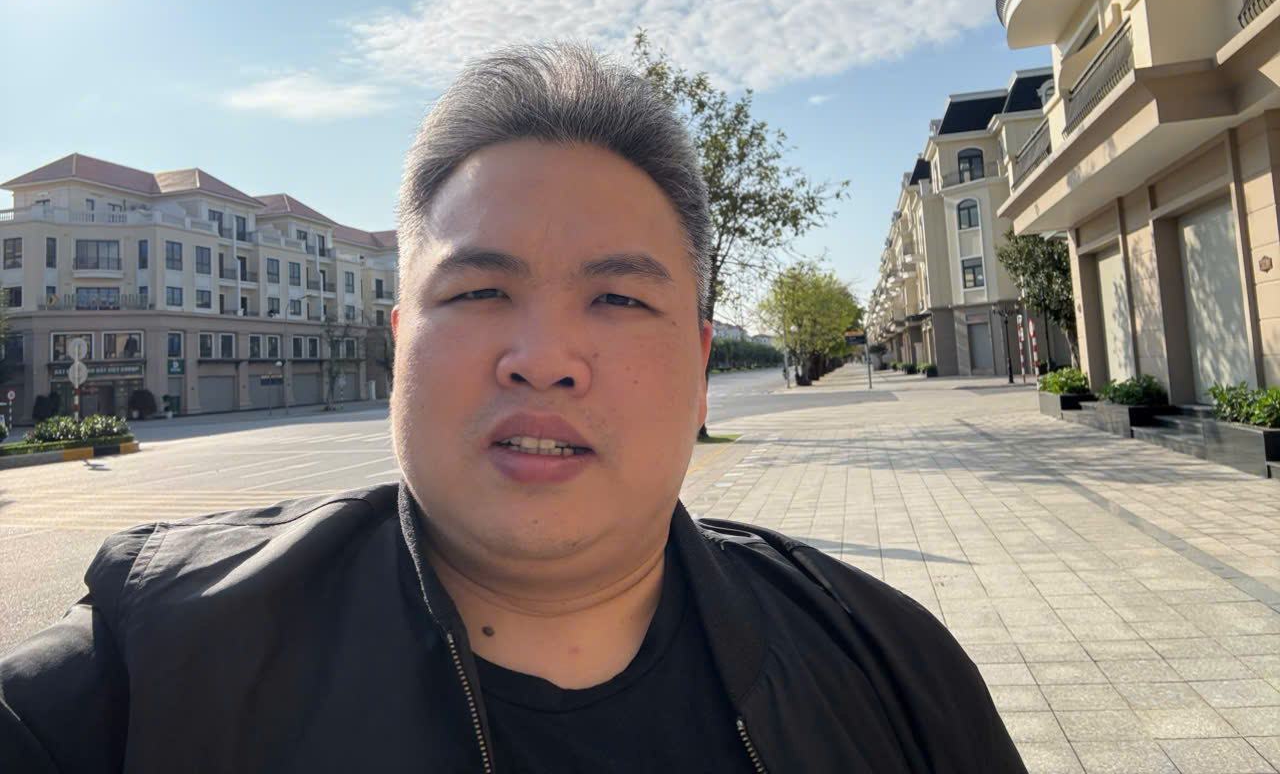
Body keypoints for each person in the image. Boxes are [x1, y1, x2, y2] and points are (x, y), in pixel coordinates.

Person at [0, 43, 1026, 773]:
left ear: (700, 364)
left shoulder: (888, 671)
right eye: (480, 291)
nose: (542, 361)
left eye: (619, 300)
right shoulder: (153, 665)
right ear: (401, 343)